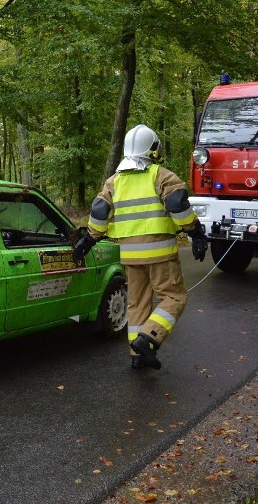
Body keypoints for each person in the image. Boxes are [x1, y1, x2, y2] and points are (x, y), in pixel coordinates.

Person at [73, 125, 207, 370]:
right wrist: (196, 234)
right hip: (160, 253)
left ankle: (137, 354)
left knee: (138, 303)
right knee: (174, 297)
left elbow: (99, 212)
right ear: (153, 149)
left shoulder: (114, 182)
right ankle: (149, 338)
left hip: (130, 257)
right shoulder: (161, 175)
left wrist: (88, 240)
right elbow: (177, 204)